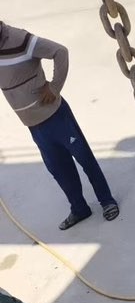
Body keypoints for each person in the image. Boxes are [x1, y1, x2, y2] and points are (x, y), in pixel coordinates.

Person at [0, 22, 119, 230]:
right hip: (33, 125)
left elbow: (60, 51)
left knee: (84, 158)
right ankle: (79, 209)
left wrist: (55, 87)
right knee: (58, 169)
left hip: (56, 117)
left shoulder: (20, 40)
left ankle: (107, 201)